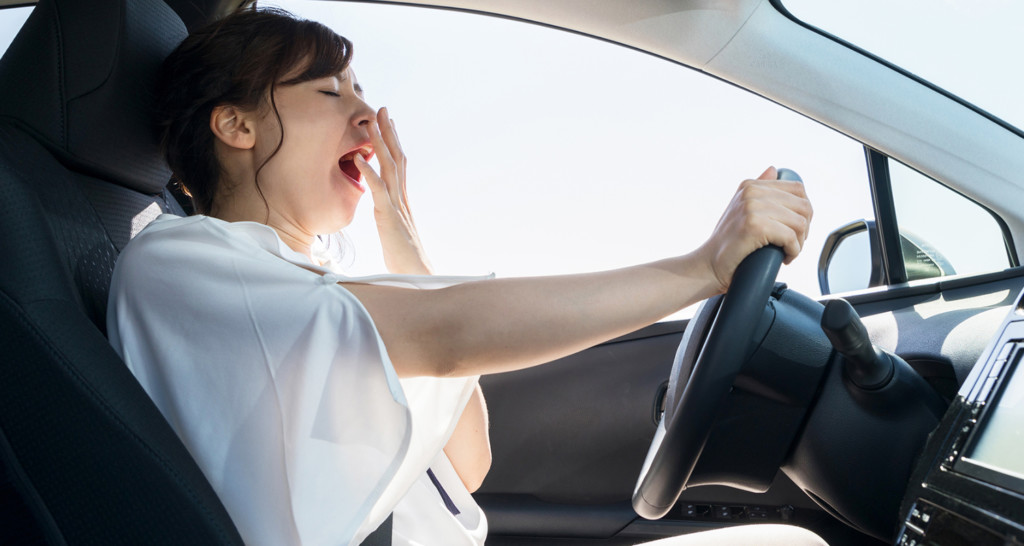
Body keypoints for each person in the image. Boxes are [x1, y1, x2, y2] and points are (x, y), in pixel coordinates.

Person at [106, 7, 822, 546]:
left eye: (362, 89)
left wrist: (405, 244)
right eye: (330, 93)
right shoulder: (179, 263)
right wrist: (700, 268)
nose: (369, 115)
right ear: (236, 126)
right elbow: (446, 334)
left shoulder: (299, 285)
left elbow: (467, 462)